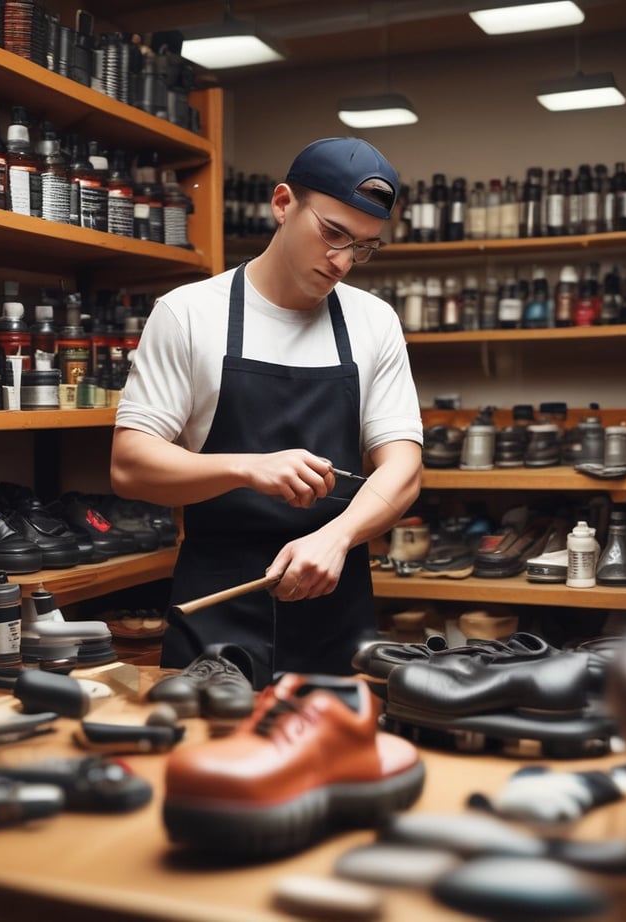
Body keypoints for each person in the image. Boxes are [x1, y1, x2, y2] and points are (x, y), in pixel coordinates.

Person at [110, 136, 423, 688]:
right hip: (216, 609)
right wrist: (249, 467)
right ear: (283, 204)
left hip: (334, 605)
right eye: (333, 233)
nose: (344, 261)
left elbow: (404, 469)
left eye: (364, 246)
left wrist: (337, 536)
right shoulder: (188, 314)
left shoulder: (374, 323)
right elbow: (130, 465)